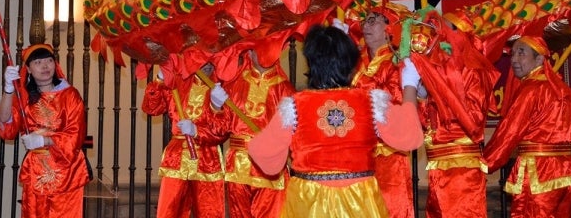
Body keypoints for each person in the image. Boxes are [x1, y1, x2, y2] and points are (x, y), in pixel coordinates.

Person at [248, 24, 424, 218]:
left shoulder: (294, 106)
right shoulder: (372, 101)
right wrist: (409, 85)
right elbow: (409, 137)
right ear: (350, 65)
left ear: (311, 64)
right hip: (360, 202)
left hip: (309, 203)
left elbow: (263, 154)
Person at [483, 35, 571, 218]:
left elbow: (509, 132)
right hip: (566, 171)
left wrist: (483, 164)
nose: (514, 59)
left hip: (539, 173)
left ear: (539, 59)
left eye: (521, 53)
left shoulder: (531, 89)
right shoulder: (561, 89)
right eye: (512, 53)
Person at [410, 10, 499, 218]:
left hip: (462, 171)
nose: (439, 36)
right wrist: (423, 96)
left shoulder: (474, 71)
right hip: (438, 166)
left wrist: (439, 87)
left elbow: (474, 123)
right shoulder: (438, 71)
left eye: (444, 30)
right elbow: (426, 123)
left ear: (460, 35)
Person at [0, 43, 90, 218]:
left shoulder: (70, 95)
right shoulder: (23, 96)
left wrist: (45, 140)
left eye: (49, 60)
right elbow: (5, 122)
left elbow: (76, 135)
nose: (45, 66)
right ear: (29, 69)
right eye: (38, 62)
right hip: (36, 172)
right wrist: (8, 89)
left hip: (67, 173)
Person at [208, 48, 296, 218]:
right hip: (238, 168)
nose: (262, 54)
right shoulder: (234, 84)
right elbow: (219, 131)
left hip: (269, 169)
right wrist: (216, 108)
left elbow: (294, 134)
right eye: (257, 49)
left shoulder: (285, 89)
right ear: (249, 53)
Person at [351, 4, 416, 218]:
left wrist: (355, 77)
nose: (366, 26)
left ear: (389, 29)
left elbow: (392, 100)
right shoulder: (356, 61)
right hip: (359, 156)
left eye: (373, 21)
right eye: (365, 21)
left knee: (391, 211)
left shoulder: (398, 62)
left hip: (389, 156)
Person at [141, 61, 227, 218]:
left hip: (207, 160)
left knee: (210, 212)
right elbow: (151, 107)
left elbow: (223, 130)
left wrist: (198, 129)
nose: (206, 63)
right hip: (176, 158)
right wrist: (160, 78)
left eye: (210, 58)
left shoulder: (221, 86)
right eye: (201, 58)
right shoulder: (178, 82)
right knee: (169, 212)